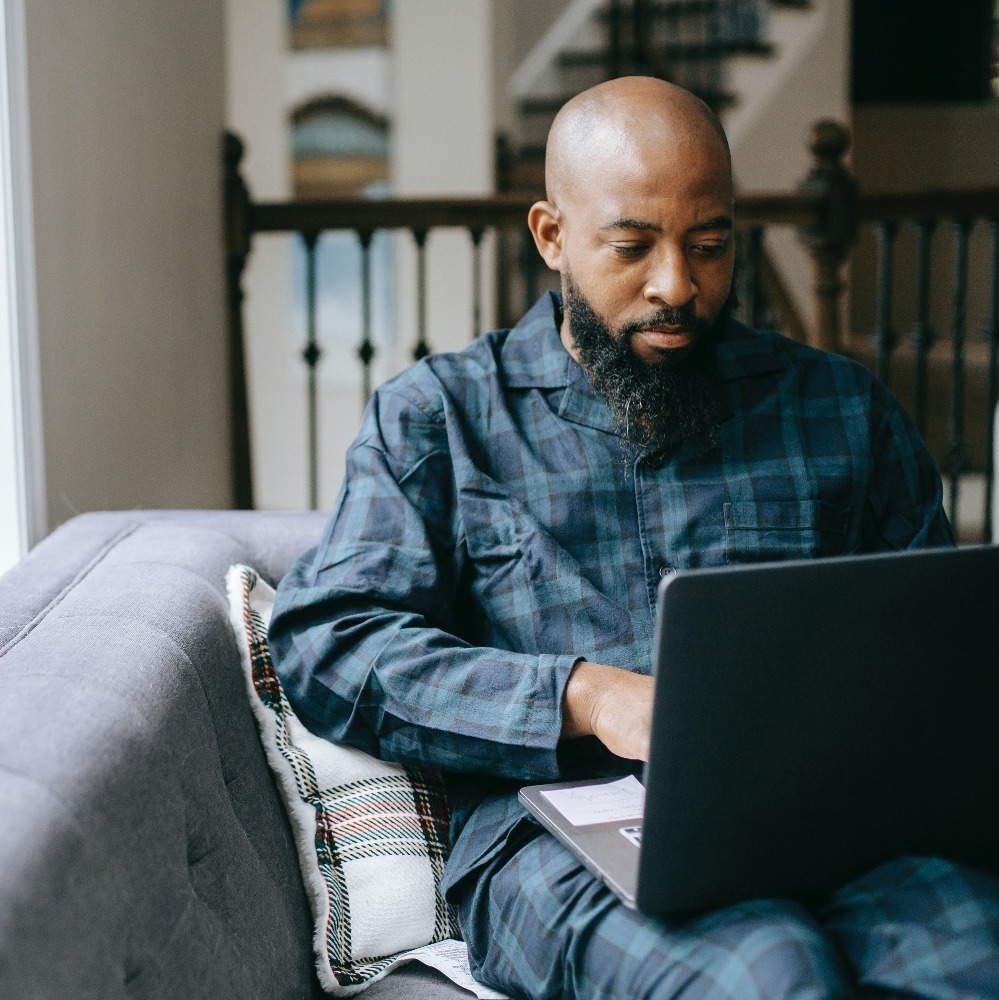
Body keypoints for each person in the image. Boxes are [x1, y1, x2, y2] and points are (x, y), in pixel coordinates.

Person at [269, 77, 999, 999]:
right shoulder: (440, 418)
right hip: (562, 837)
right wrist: (580, 695)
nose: (678, 288)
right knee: (769, 976)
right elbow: (328, 640)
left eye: (710, 245)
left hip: (829, 825)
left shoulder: (841, 410)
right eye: (631, 247)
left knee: (976, 957)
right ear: (551, 236)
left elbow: (943, 651)